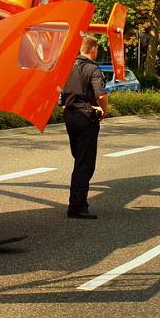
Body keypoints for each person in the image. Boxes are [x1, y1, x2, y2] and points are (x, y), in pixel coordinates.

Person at [61, 35, 109, 219]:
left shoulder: (68, 67)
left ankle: (78, 201)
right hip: (86, 118)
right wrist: (103, 110)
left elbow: (60, 91)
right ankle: (77, 206)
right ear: (93, 49)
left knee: (78, 159)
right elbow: (102, 95)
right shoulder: (92, 68)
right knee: (85, 164)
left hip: (70, 115)